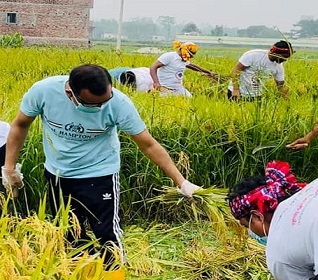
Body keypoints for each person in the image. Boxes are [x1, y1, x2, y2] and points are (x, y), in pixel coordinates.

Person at [1, 64, 202, 278]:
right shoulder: (43, 91)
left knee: (107, 234)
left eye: (105, 101)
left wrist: (181, 182)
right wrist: (9, 167)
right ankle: (82, 273)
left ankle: (114, 275)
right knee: (68, 232)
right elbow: (21, 125)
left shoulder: (118, 103)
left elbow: (149, 145)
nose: (102, 108)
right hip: (58, 174)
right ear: (71, 94)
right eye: (93, 105)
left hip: (100, 174)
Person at [227, 40, 293, 101]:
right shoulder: (253, 55)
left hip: (256, 95)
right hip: (238, 93)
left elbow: (280, 86)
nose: (285, 60)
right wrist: (235, 89)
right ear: (276, 53)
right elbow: (236, 71)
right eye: (284, 57)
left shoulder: (279, 67)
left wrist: (287, 101)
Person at [149, 41, 217, 97]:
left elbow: (193, 66)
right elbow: (153, 67)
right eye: (189, 55)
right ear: (183, 50)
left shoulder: (184, 60)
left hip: (178, 88)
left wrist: (208, 72)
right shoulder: (170, 56)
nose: (189, 57)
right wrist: (156, 82)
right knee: (168, 101)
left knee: (189, 98)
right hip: (164, 87)